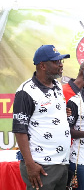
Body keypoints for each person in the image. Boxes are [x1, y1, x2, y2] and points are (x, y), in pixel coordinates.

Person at [12, 45, 71, 190]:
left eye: (61, 61)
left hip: (62, 162)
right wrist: (30, 164)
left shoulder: (57, 85)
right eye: (56, 62)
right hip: (41, 165)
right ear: (43, 66)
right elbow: (20, 131)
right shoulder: (25, 92)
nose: (61, 64)